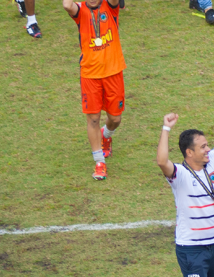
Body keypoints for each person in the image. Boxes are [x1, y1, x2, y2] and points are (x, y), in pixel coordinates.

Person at [156, 94, 214, 277]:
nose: (208, 149)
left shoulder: (212, 162)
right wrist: (166, 129)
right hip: (192, 250)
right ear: (189, 152)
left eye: (207, 145)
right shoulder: (180, 175)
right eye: (203, 147)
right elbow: (162, 161)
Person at [62, 0, 127, 180]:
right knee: (93, 118)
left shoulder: (110, 7)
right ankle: (99, 162)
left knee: (115, 118)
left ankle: (106, 135)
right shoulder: (80, 9)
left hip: (113, 72)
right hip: (90, 74)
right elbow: (67, 5)